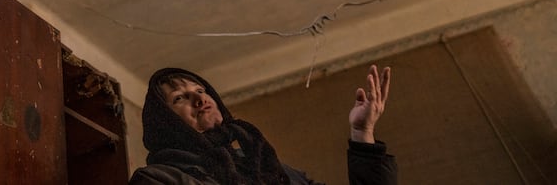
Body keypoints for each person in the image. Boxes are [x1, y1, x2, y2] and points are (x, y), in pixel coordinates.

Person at [129, 65, 396, 184]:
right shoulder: (158, 180)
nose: (200, 98)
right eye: (179, 98)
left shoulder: (274, 169)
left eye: (201, 89)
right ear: (165, 124)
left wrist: (363, 133)